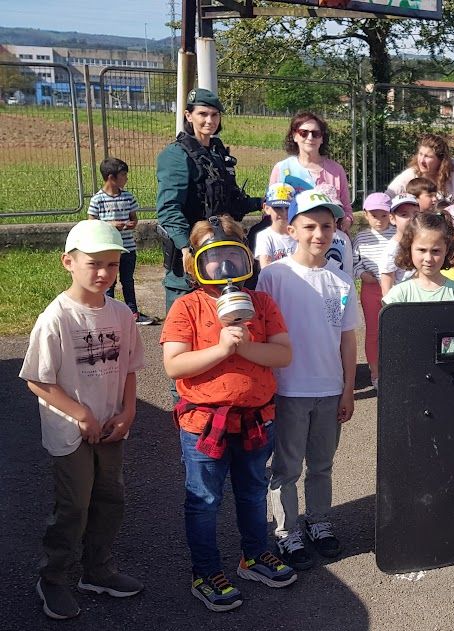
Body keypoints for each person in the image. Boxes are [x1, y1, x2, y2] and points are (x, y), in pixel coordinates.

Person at [160, 216, 296, 612]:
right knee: (203, 499)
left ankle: (253, 556)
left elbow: (283, 354)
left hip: (256, 420)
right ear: (195, 265)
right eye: (212, 260)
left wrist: (244, 344)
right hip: (204, 425)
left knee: (253, 491)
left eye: (232, 259)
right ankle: (206, 572)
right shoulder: (187, 306)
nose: (223, 269)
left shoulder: (263, 305)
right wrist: (221, 348)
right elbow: (174, 365)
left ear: (247, 260)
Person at [20, 221, 145, 620]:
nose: (104, 273)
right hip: (71, 431)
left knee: (110, 499)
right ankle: (53, 578)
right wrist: (81, 415)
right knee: (74, 505)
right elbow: (38, 380)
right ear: (68, 262)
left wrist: (128, 410)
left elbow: (129, 368)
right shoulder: (56, 317)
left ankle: (97, 570)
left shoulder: (121, 313)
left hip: (111, 426)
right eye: (94, 264)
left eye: (112, 264)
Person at [256, 190, 360, 571]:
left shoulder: (341, 281)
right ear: (293, 229)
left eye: (327, 226)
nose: (319, 234)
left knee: (322, 464)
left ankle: (319, 522)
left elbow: (348, 340)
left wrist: (348, 389)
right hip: (288, 390)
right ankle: (287, 531)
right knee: (286, 467)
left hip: (330, 390)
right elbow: (261, 334)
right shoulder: (273, 276)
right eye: (310, 226)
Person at [156, 88, 262, 314]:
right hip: (192, 256)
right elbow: (168, 209)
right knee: (185, 325)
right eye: (203, 114)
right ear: (188, 116)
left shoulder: (216, 155)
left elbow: (230, 204)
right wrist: (186, 247)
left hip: (223, 254)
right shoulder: (176, 156)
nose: (209, 120)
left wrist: (264, 203)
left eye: (215, 115)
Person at [88, 157, 155, 325]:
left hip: (128, 247)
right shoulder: (97, 199)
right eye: (123, 175)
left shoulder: (128, 197)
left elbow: (134, 219)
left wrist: (131, 224)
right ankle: (107, 312)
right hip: (108, 250)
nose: (126, 179)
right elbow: (91, 224)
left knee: (128, 280)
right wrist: (110, 225)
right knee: (108, 282)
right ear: (111, 177)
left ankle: (132, 312)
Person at [269, 112, 352, 213]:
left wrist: (347, 220)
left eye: (315, 134)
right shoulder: (282, 168)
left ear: (322, 138)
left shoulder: (336, 170)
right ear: (295, 136)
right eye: (304, 133)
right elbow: (271, 207)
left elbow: (347, 210)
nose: (310, 138)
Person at [383, 212, 454, 305]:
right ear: (410, 249)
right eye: (422, 250)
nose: (428, 258)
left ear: (446, 250)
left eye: (435, 251)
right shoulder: (398, 296)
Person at [353, 193, 396, 386]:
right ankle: (375, 372)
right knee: (373, 331)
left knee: (395, 329)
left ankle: (395, 367)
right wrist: (362, 274)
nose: (379, 220)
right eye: (374, 215)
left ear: (391, 215)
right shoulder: (361, 237)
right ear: (366, 215)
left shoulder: (397, 234)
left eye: (383, 215)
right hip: (371, 288)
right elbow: (355, 262)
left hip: (395, 288)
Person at [378, 195, 421, 296]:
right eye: (404, 214)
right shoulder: (392, 250)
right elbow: (386, 287)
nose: (411, 218)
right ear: (392, 218)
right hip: (405, 301)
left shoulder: (423, 242)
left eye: (416, 214)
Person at [253, 183, 297, 269]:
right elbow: (266, 269)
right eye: (277, 207)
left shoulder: (301, 233)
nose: (284, 213)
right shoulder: (265, 236)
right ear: (267, 208)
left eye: (288, 208)